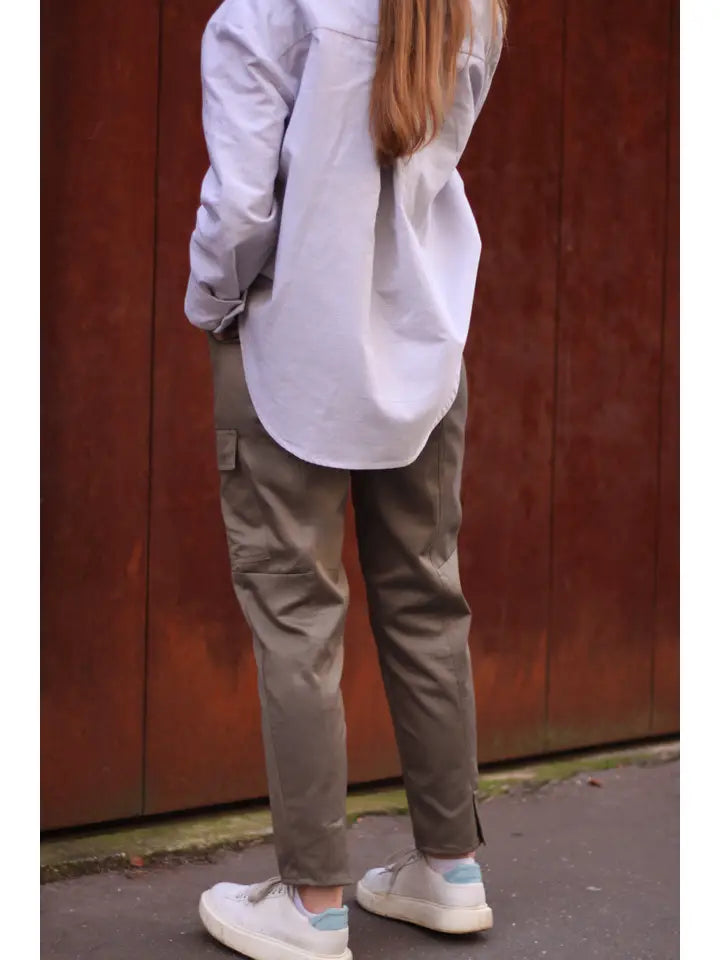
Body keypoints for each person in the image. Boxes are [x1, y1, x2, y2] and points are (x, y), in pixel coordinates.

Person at [184, 0, 505, 957]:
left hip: (295, 342)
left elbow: (241, 208)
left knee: (297, 616)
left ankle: (312, 903)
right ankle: (450, 870)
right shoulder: (475, 9)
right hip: (422, 341)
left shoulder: (265, 11)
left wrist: (213, 302)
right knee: (427, 601)